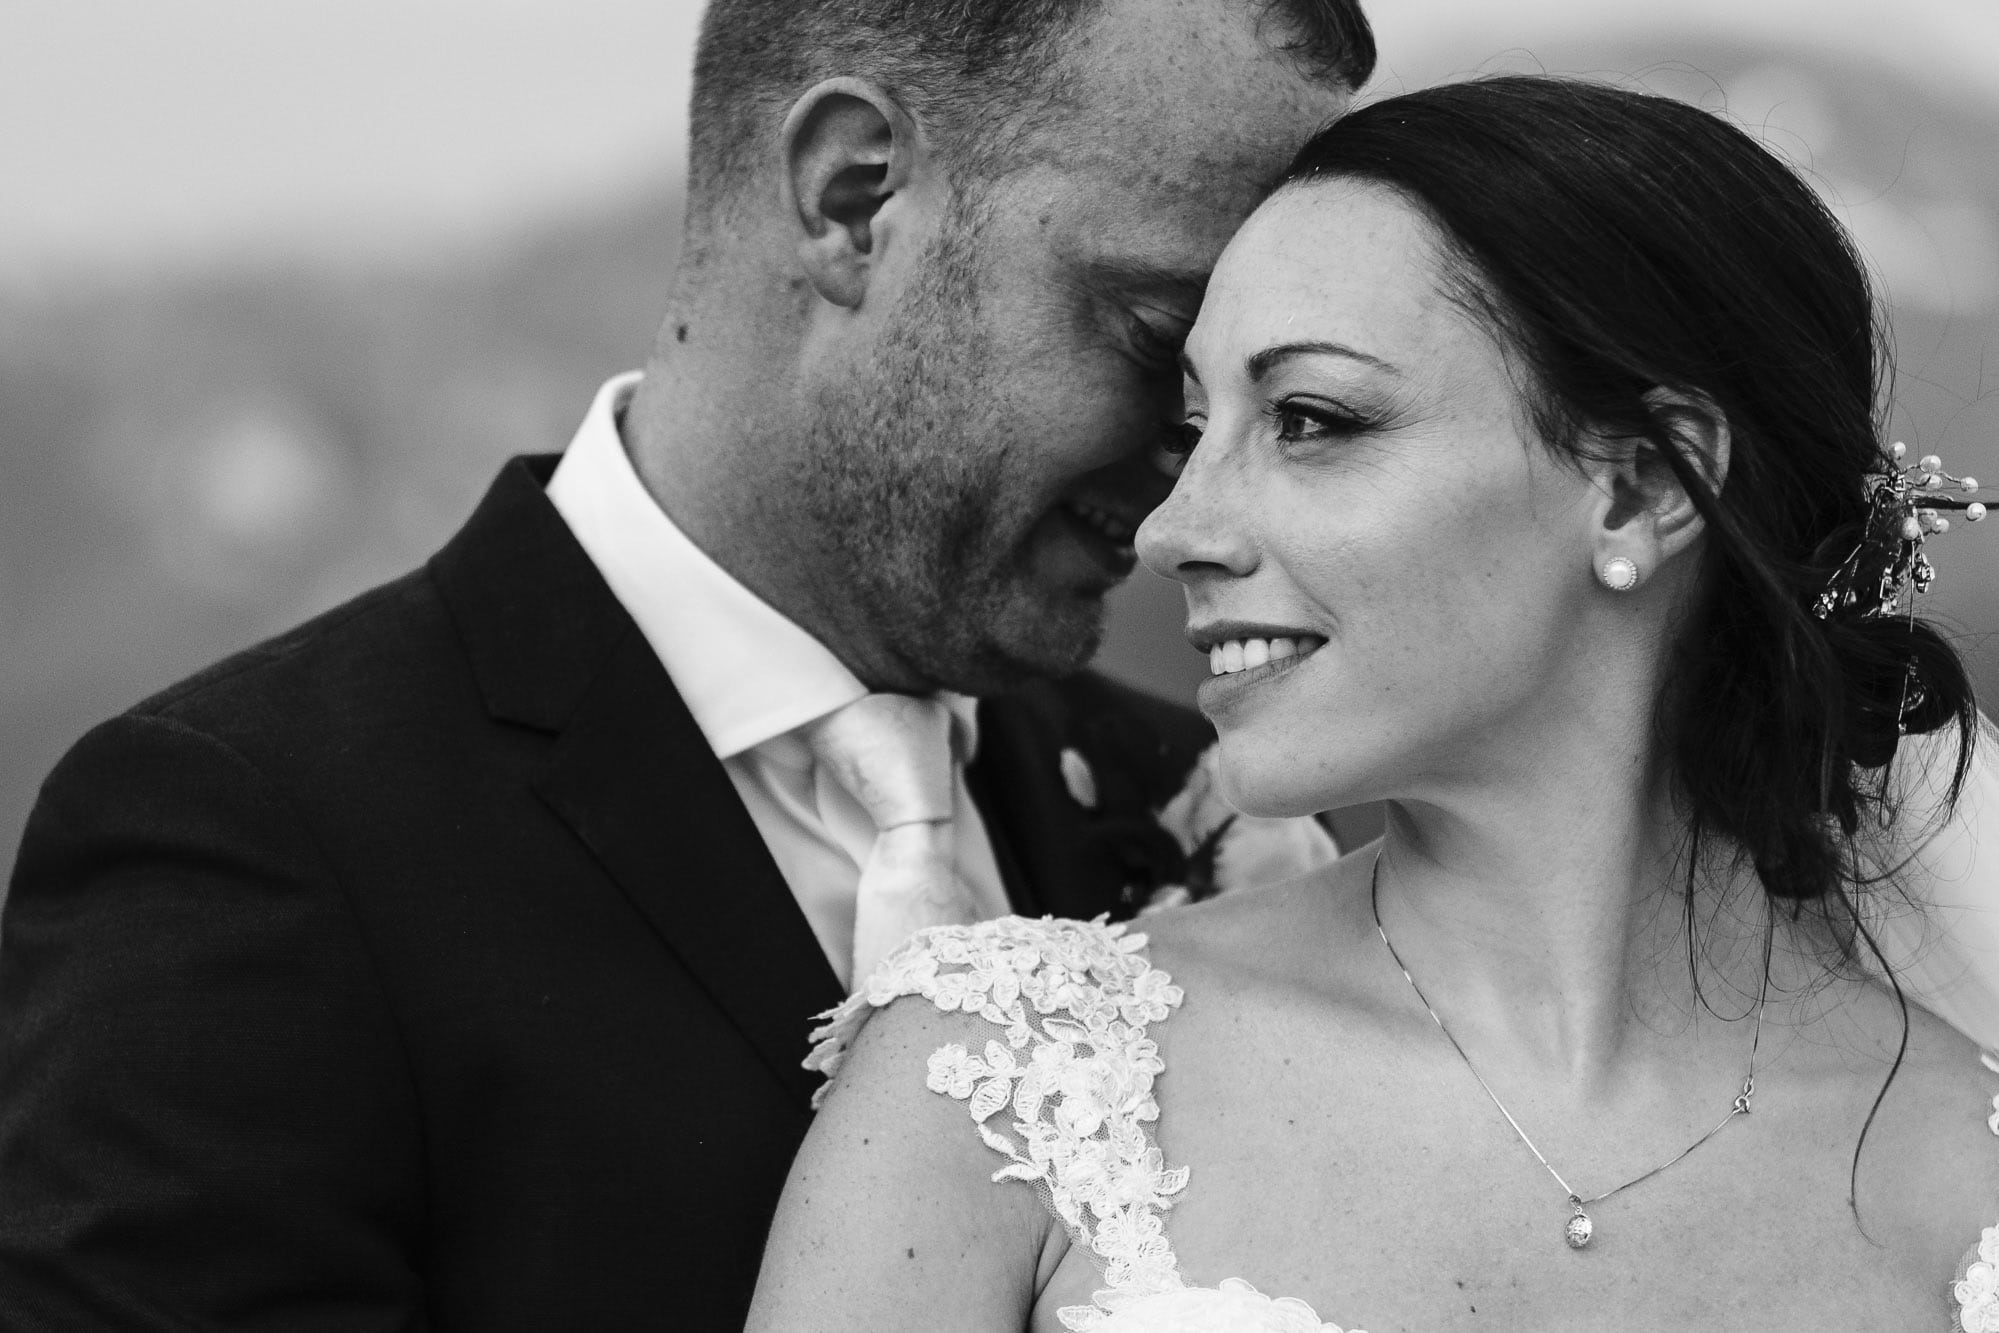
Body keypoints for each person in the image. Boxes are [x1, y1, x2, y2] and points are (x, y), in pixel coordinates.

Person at [0, 2, 1373, 1329]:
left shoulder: (1202, 814)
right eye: (1151, 337)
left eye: (1263, 388)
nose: (1201, 473)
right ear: (852, 196)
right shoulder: (249, 838)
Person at [748, 76, 1999, 1330]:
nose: (1175, 527)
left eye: (1309, 418)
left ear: (1639, 488)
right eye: (1193, 430)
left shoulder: (1966, 1168)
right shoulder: (998, 1080)